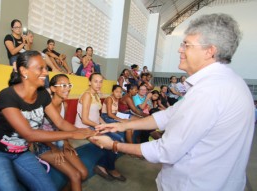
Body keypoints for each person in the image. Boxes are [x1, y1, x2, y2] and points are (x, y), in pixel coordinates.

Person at [93, 14, 255, 191]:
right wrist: (121, 126)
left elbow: (166, 150)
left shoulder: (210, 91)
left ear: (209, 51)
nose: (180, 50)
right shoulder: (227, 82)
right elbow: (169, 115)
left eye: (187, 44)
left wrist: (114, 145)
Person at [0, 51, 95, 191]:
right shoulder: (7, 95)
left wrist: (88, 134)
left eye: (46, 67)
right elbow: (29, 134)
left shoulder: (43, 95)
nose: (46, 72)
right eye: (41, 68)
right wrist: (72, 135)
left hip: (22, 153)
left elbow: (60, 123)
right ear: (24, 71)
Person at [34, 74, 88, 191]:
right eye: (63, 85)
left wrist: (66, 142)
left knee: (83, 173)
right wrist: (53, 147)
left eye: (69, 85)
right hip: (45, 145)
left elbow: (61, 127)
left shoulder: (65, 104)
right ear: (53, 89)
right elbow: (36, 131)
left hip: (60, 141)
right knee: (76, 175)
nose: (68, 88)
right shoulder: (44, 105)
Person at [74, 73, 126, 181]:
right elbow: (84, 119)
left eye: (100, 81)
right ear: (89, 82)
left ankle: (101, 165)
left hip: (94, 125)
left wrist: (106, 125)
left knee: (119, 138)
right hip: (84, 127)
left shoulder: (96, 94)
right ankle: (110, 168)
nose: (98, 84)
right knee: (111, 142)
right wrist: (100, 126)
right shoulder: (87, 95)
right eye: (95, 81)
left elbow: (97, 116)